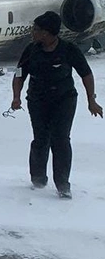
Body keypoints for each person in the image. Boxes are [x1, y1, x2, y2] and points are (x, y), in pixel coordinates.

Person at [11, 11, 102, 199]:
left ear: (46, 33)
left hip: (64, 100)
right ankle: (38, 179)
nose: (32, 32)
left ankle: (62, 185)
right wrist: (16, 97)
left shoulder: (68, 49)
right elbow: (19, 75)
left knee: (60, 140)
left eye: (36, 29)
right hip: (37, 100)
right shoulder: (31, 50)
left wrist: (91, 100)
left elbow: (86, 74)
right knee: (40, 139)